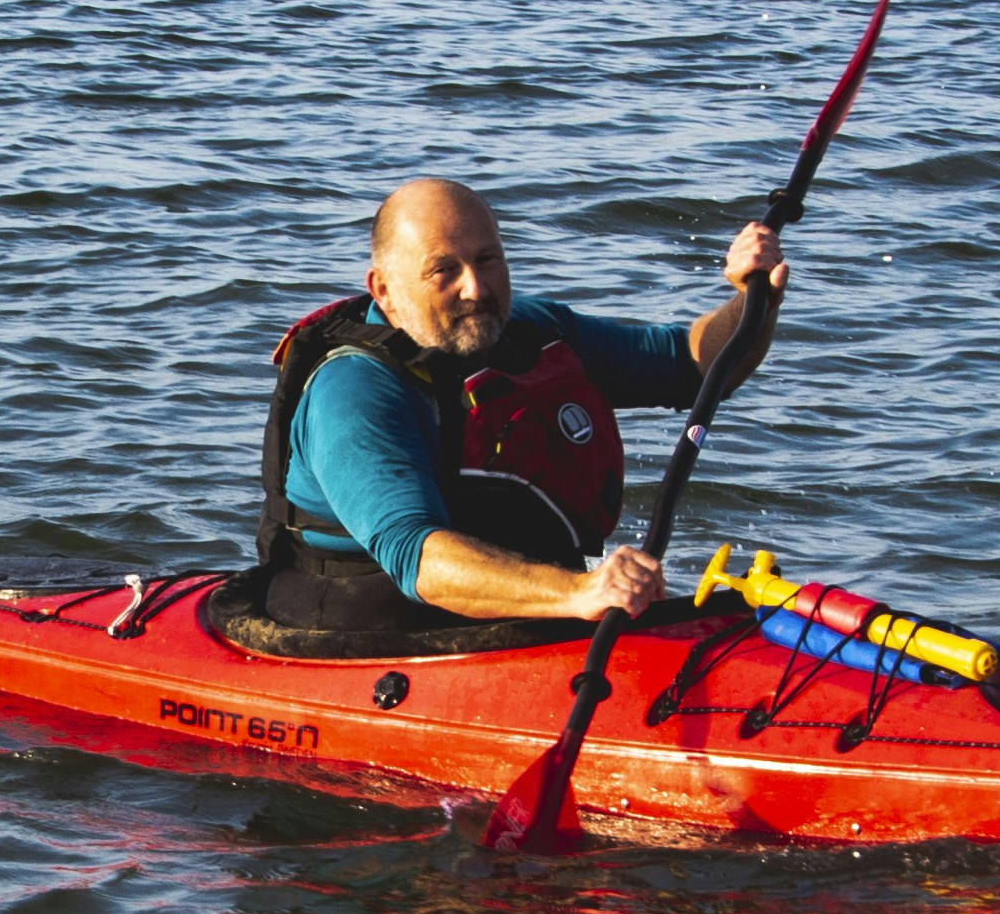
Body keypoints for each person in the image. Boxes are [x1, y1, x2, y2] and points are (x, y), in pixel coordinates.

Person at [226, 177, 791, 654]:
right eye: (443, 270)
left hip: (525, 610)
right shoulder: (354, 388)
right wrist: (580, 592)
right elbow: (416, 556)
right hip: (363, 625)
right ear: (386, 291)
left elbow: (691, 364)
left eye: (488, 259)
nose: (477, 288)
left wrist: (752, 300)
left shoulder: (531, 332)